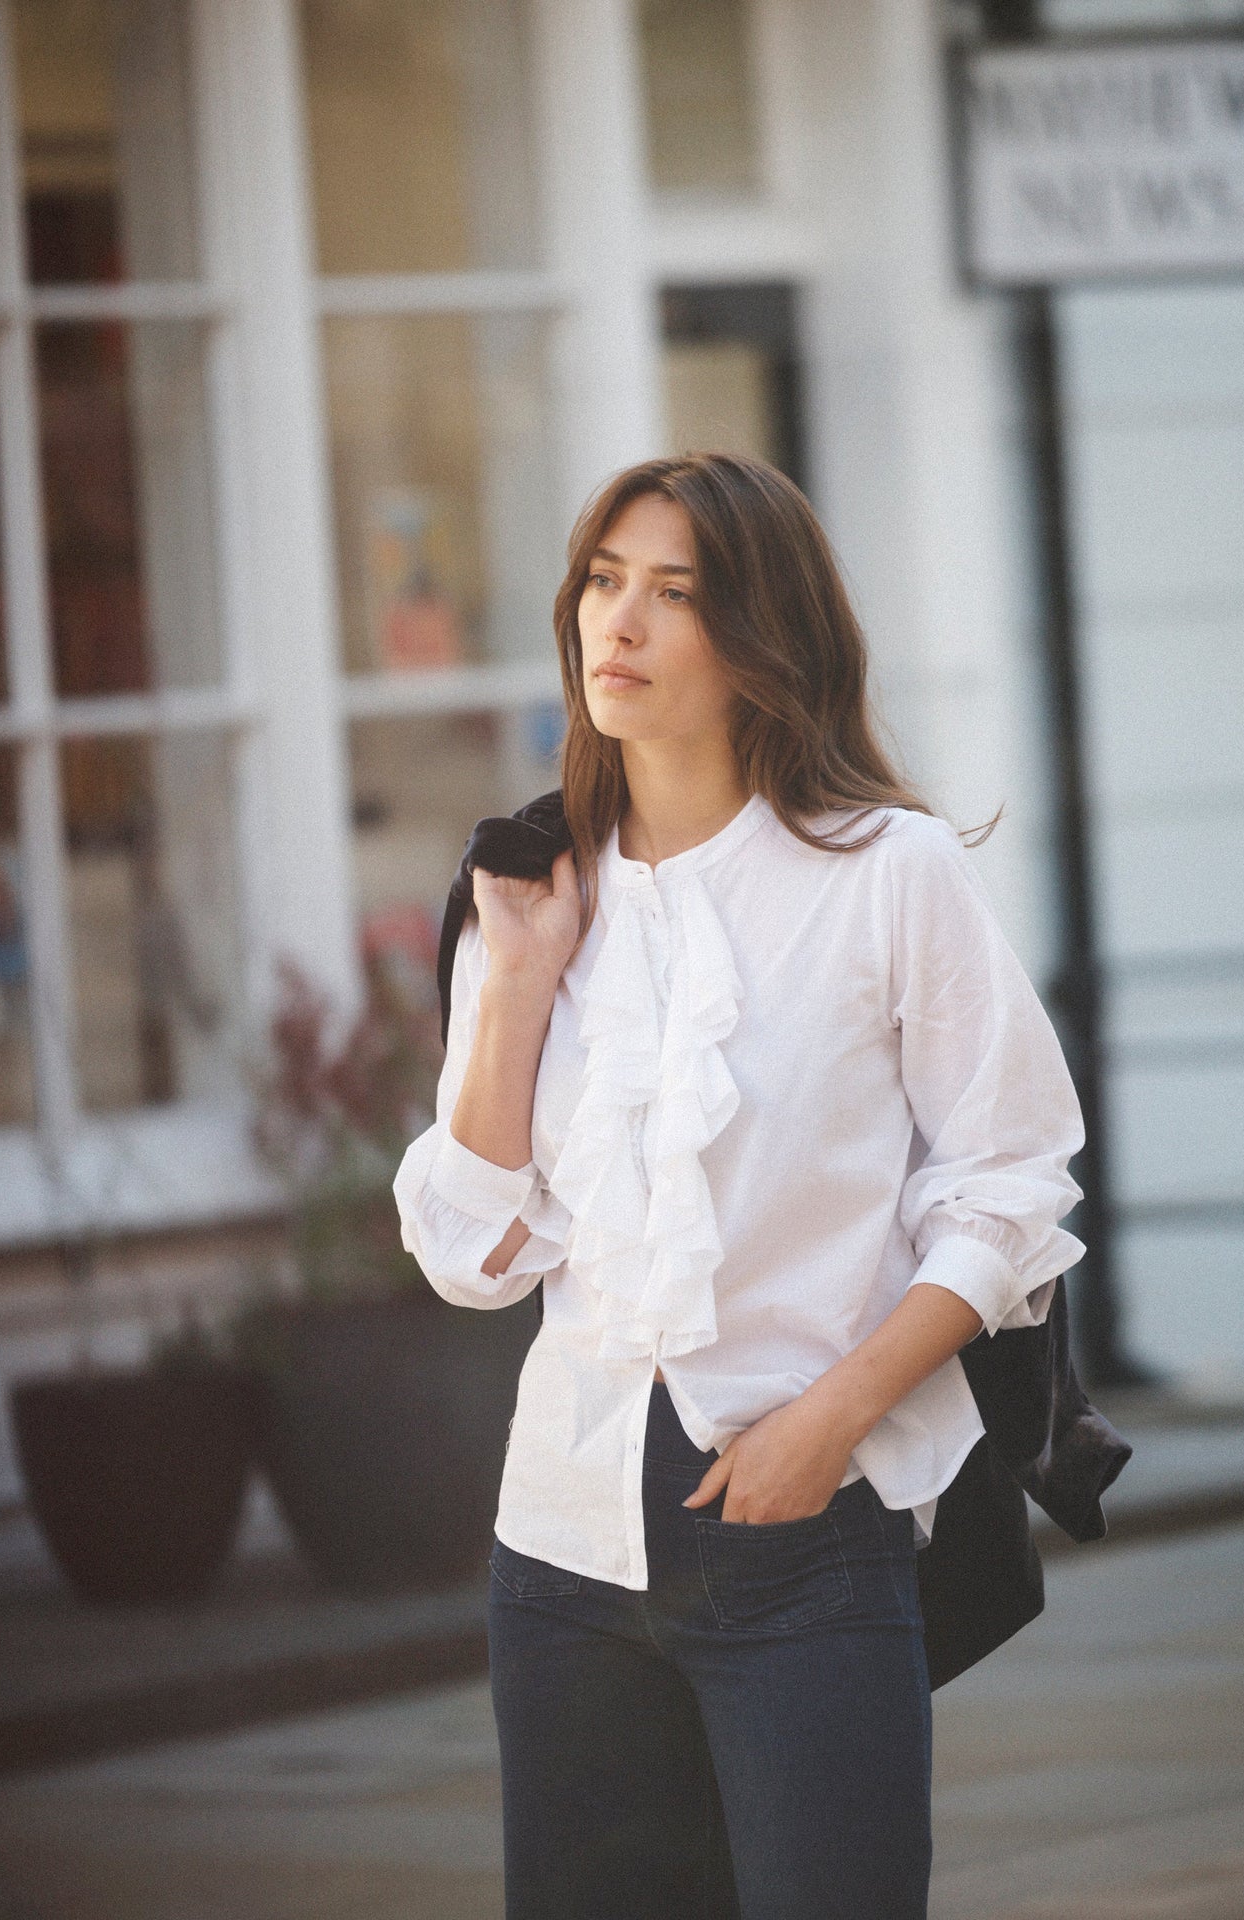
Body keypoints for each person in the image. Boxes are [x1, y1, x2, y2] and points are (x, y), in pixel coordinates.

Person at [392, 452, 1087, 1920]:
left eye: (673, 593)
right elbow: (469, 1251)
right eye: (601, 582)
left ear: (762, 638)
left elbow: (1009, 1187)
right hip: (564, 1550)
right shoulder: (526, 889)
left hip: (805, 1525)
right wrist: (516, 985)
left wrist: (830, 1424)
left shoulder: (886, 874)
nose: (617, 625)